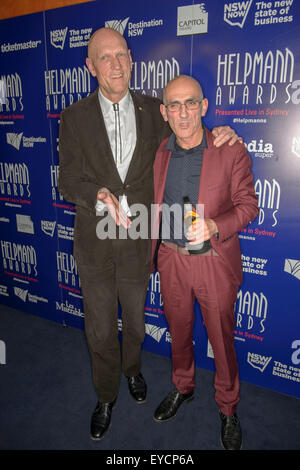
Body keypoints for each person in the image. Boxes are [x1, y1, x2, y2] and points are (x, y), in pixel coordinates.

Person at [58, 27, 240, 441]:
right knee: (101, 329)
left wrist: (224, 134)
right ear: (91, 66)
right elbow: (67, 179)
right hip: (96, 242)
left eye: (122, 54)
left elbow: (192, 134)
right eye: (106, 58)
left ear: (131, 59)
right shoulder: (73, 117)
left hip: (141, 241)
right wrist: (97, 195)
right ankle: (106, 395)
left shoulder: (156, 110)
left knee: (137, 325)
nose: (116, 64)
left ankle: (133, 370)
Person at [151, 75, 258, 450]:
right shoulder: (159, 151)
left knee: (221, 340)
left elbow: (248, 206)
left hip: (212, 260)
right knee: (178, 333)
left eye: (190, 103)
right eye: (175, 105)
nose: (183, 113)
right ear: (164, 112)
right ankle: (183, 386)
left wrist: (214, 224)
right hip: (172, 260)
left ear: (204, 106)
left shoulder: (230, 149)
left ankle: (228, 407)